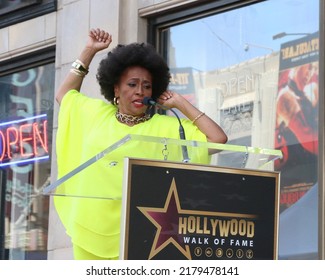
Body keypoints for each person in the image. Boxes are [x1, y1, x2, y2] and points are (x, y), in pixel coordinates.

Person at [54, 28, 227, 260]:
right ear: (116, 88)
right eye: (132, 84)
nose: (140, 91)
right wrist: (89, 51)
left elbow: (217, 139)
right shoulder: (96, 114)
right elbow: (64, 95)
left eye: (146, 86)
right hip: (92, 230)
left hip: (146, 234)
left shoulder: (165, 127)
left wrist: (181, 104)